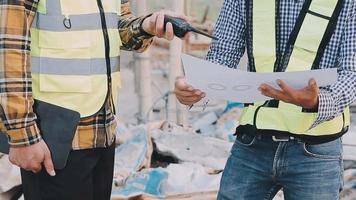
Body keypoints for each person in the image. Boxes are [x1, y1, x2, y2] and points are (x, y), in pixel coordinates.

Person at [0, 0, 186, 199]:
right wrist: (22, 136)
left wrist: (145, 26)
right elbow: (9, 47)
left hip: (102, 129)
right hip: (53, 138)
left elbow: (117, 27)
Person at [175, 0, 356, 199]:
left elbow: (351, 72)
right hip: (253, 143)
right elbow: (222, 55)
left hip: (316, 150)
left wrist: (319, 101)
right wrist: (195, 88)